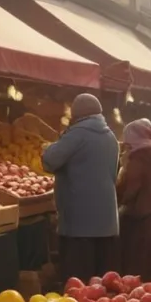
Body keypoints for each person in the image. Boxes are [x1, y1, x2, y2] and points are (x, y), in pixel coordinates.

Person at [42, 94, 120, 282]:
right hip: (107, 222)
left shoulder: (77, 134)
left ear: (76, 114)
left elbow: (49, 161)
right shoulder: (111, 136)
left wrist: (50, 146)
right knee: (101, 283)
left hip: (80, 223)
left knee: (79, 282)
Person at [116, 119, 151, 280]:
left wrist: (119, 200)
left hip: (139, 215)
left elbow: (131, 188)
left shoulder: (138, 157)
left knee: (139, 261)